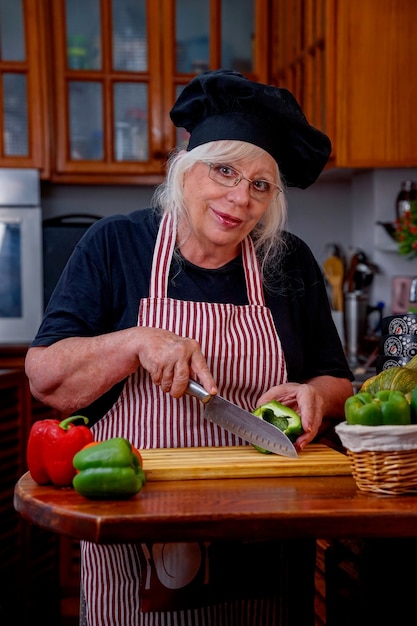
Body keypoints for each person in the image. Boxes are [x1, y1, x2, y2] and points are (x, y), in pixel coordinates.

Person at [25, 69, 354, 626]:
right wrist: (135, 341)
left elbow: (336, 380)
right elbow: (45, 380)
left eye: (260, 185)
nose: (238, 198)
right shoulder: (116, 244)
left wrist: (315, 394)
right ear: (185, 169)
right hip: (140, 526)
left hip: (266, 530)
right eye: (223, 170)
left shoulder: (288, 261)